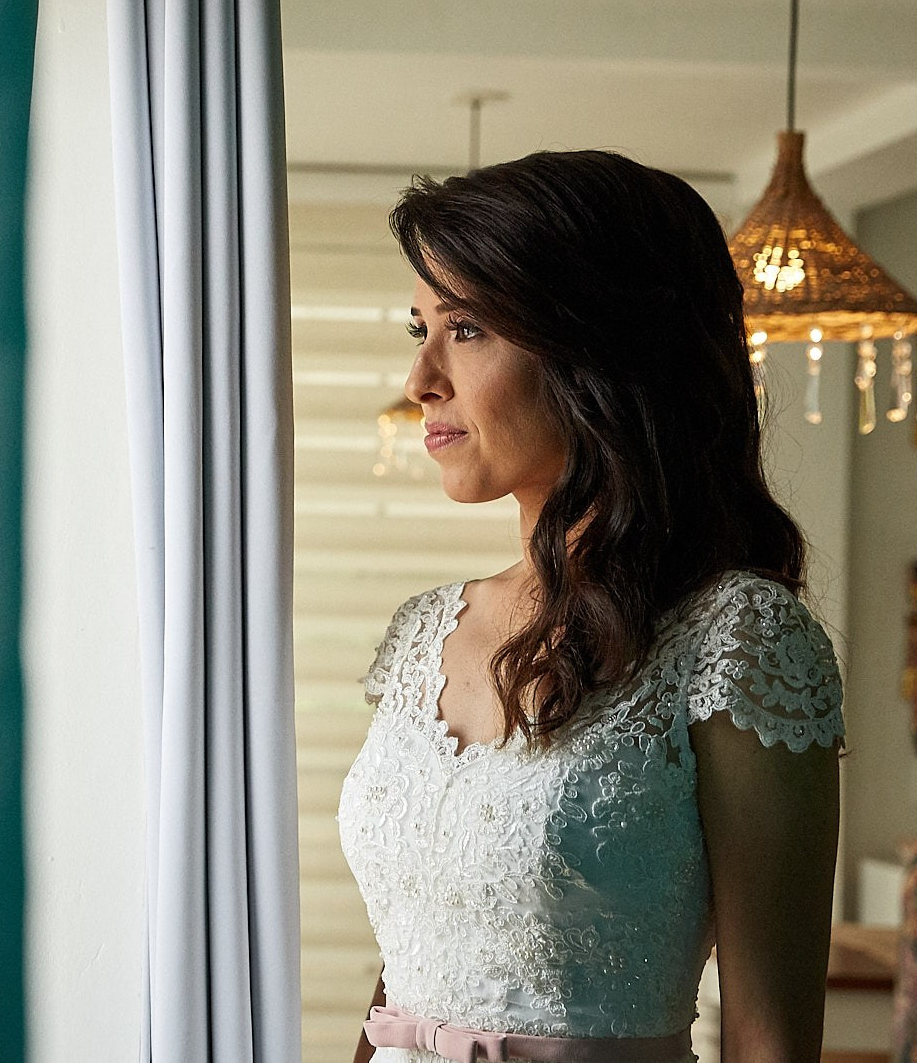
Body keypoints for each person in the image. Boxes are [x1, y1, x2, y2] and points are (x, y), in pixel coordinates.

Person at [339, 150, 843, 1063]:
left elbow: (770, 1038)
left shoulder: (737, 639)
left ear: (596, 348)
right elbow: (400, 972)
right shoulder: (422, 633)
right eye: (421, 327)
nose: (422, 380)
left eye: (468, 330)